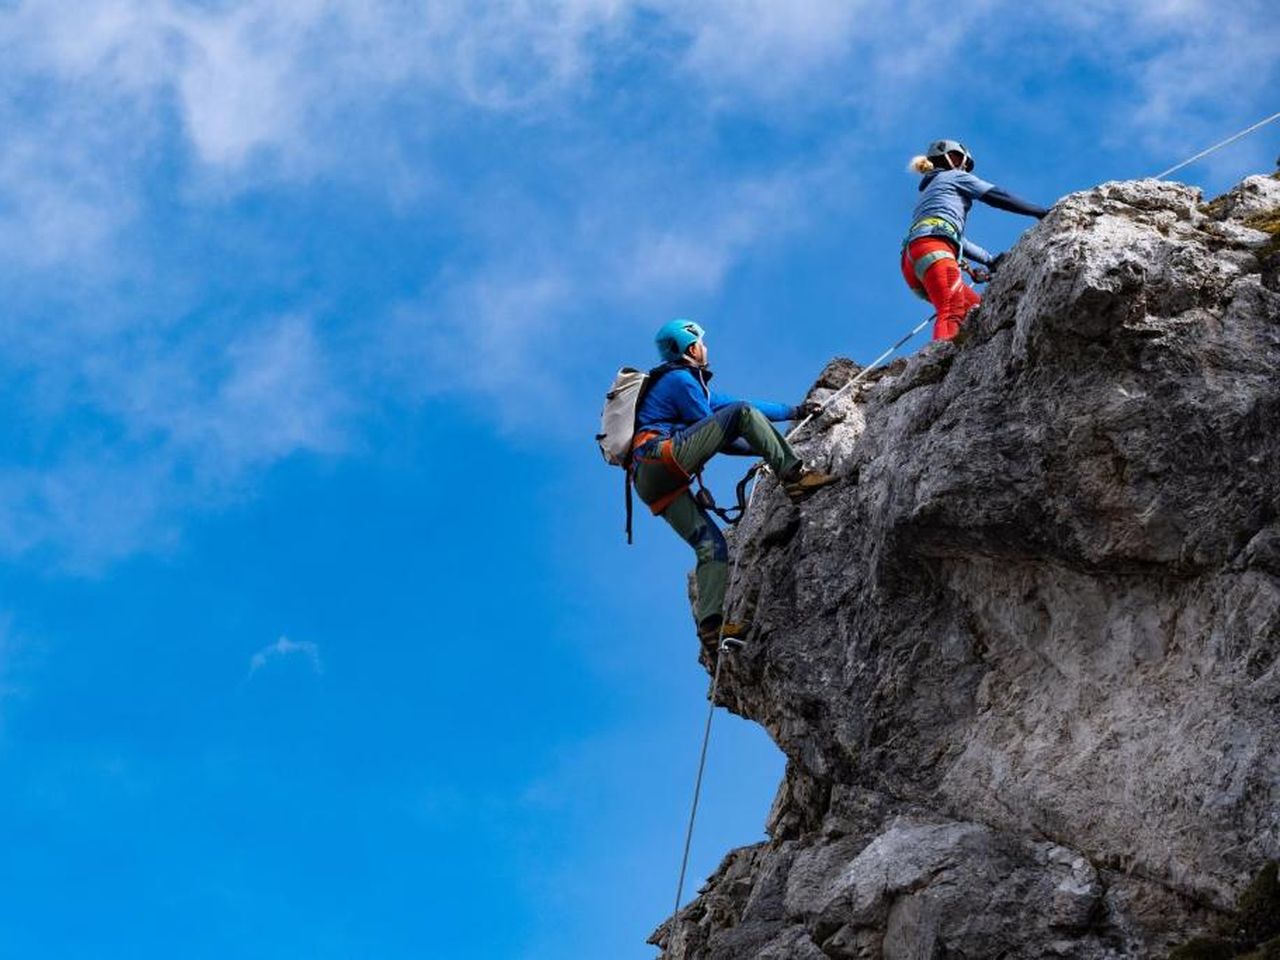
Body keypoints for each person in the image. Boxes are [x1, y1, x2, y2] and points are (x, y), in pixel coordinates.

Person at [631, 319, 838, 656]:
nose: (706, 348)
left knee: (710, 546)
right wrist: (770, 448)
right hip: (660, 457)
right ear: (691, 346)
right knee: (739, 414)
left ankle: (711, 627)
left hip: (650, 481)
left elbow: (743, 406)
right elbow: (734, 424)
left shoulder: (689, 385)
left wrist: (795, 412)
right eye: (702, 342)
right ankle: (795, 476)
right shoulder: (681, 380)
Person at [902, 139, 1050, 340]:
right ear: (954, 158)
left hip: (914, 261)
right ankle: (939, 364)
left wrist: (990, 260)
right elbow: (996, 195)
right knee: (951, 310)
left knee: (977, 311)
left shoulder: (931, 192)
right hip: (933, 249)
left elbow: (953, 237)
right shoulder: (954, 176)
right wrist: (1040, 212)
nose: (966, 171)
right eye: (965, 165)